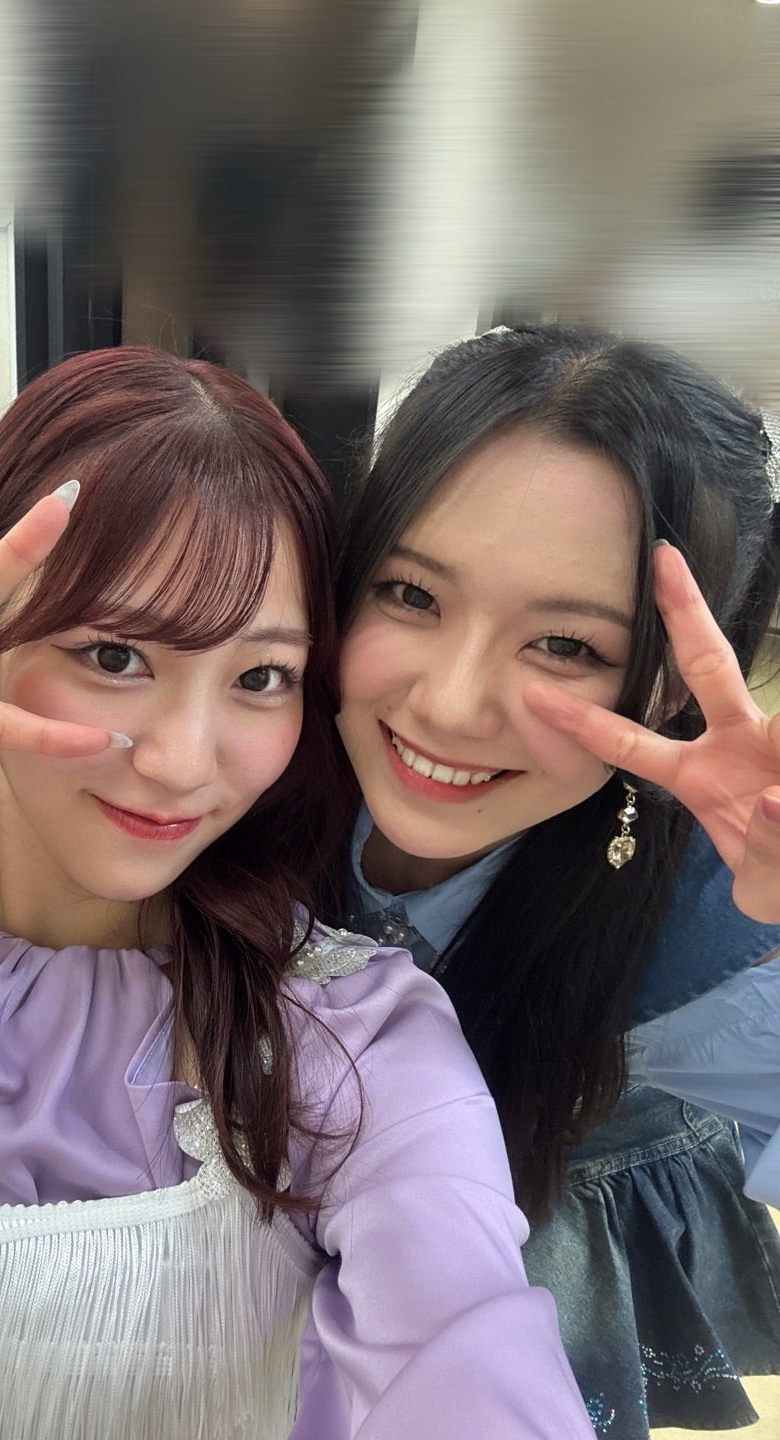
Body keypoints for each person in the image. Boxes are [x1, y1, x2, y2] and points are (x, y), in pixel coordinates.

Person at [0, 347, 594, 1438]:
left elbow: (466, 1348)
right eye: (116, 655)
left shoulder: (356, 1050)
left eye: (260, 677)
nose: (179, 761)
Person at [332, 322, 780, 1438]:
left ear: (669, 691)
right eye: (410, 594)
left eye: (567, 646)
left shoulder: (708, 938)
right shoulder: (230, 763)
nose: (448, 705)